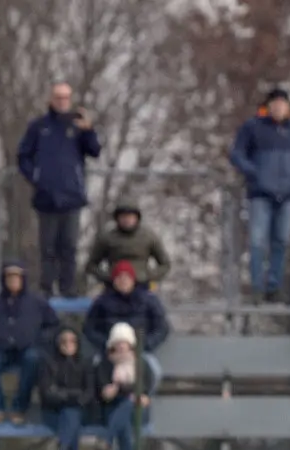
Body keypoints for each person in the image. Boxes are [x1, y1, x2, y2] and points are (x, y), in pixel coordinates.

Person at [16, 81, 102, 298]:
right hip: (46, 198)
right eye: (58, 97)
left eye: (66, 97)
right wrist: (36, 177)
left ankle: (68, 288)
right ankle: (46, 288)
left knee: (69, 247)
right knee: (47, 248)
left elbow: (94, 151)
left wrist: (89, 130)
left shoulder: (78, 126)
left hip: (72, 197)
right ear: (51, 99)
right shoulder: (38, 127)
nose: (62, 101)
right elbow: (23, 156)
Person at [230, 87, 290, 302]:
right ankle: (257, 286)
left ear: (288, 107)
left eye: (282, 104)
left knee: (281, 241)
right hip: (260, 193)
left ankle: (274, 286)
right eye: (274, 104)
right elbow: (237, 153)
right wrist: (253, 171)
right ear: (268, 107)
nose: (278, 107)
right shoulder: (253, 127)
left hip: (286, 195)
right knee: (258, 241)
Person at [0, 261, 59, 425]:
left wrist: (39, 339)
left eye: (16, 276)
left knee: (33, 358)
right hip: (2, 349)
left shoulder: (37, 301)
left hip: (28, 348)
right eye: (9, 276)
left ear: (23, 278)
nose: (13, 280)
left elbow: (54, 325)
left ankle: (19, 409)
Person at [83, 261, 170, 386]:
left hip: (140, 351)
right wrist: (107, 344)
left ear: (133, 279)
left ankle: (143, 401)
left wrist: (143, 344)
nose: (123, 281)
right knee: (95, 372)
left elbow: (162, 327)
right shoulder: (102, 302)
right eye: (119, 277)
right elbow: (89, 328)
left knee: (154, 371)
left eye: (127, 277)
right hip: (109, 352)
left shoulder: (148, 300)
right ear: (114, 280)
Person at [95, 323, 156, 450]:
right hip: (114, 408)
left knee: (129, 405)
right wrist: (108, 392)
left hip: (138, 407)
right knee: (125, 427)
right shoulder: (105, 364)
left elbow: (146, 387)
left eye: (125, 343)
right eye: (118, 343)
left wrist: (123, 388)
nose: (122, 347)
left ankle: (107, 440)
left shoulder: (141, 363)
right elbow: (101, 389)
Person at [39, 326, 95, 450]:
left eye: (72, 341)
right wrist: (72, 396)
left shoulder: (85, 363)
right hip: (53, 412)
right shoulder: (48, 362)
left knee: (72, 416)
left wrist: (68, 396)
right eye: (64, 341)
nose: (68, 344)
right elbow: (47, 392)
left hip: (79, 409)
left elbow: (89, 392)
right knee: (71, 422)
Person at [84, 199, 173, 289]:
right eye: (123, 217)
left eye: (130, 216)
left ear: (137, 218)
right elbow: (91, 265)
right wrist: (108, 277)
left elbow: (165, 264)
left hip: (141, 286)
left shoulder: (149, 237)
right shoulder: (107, 238)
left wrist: (147, 276)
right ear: (117, 218)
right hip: (114, 287)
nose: (127, 220)